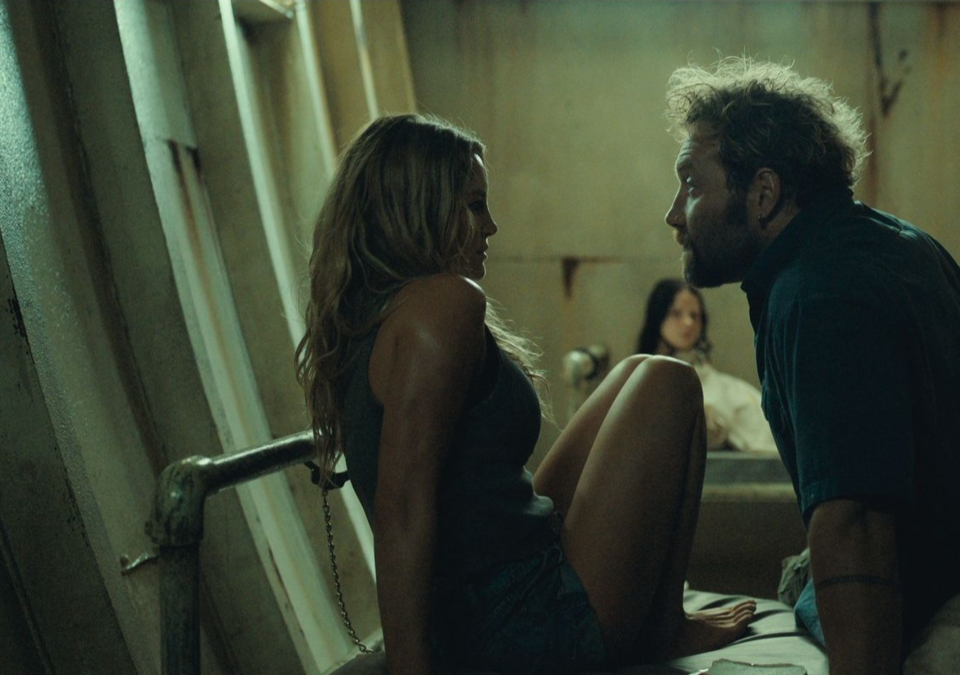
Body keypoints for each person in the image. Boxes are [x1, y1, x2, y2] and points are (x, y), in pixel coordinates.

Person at [661, 58, 960, 674]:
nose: (674, 214)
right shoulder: (887, 242)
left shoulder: (817, 294)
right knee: (804, 577)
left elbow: (858, 520)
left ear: (763, 193)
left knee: (810, 581)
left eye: (691, 183)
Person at [296, 114, 756, 675]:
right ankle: (663, 629)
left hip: (492, 600)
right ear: (418, 209)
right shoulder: (443, 305)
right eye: (474, 206)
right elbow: (403, 510)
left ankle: (664, 624)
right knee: (671, 381)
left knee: (638, 370)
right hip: (515, 626)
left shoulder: (377, 313)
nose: (491, 226)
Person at [637, 278, 776, 455]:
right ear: (658, 316)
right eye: (676, 313)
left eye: (694, 316)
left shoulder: (721, 386)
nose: (688, 323)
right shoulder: (639, 376)